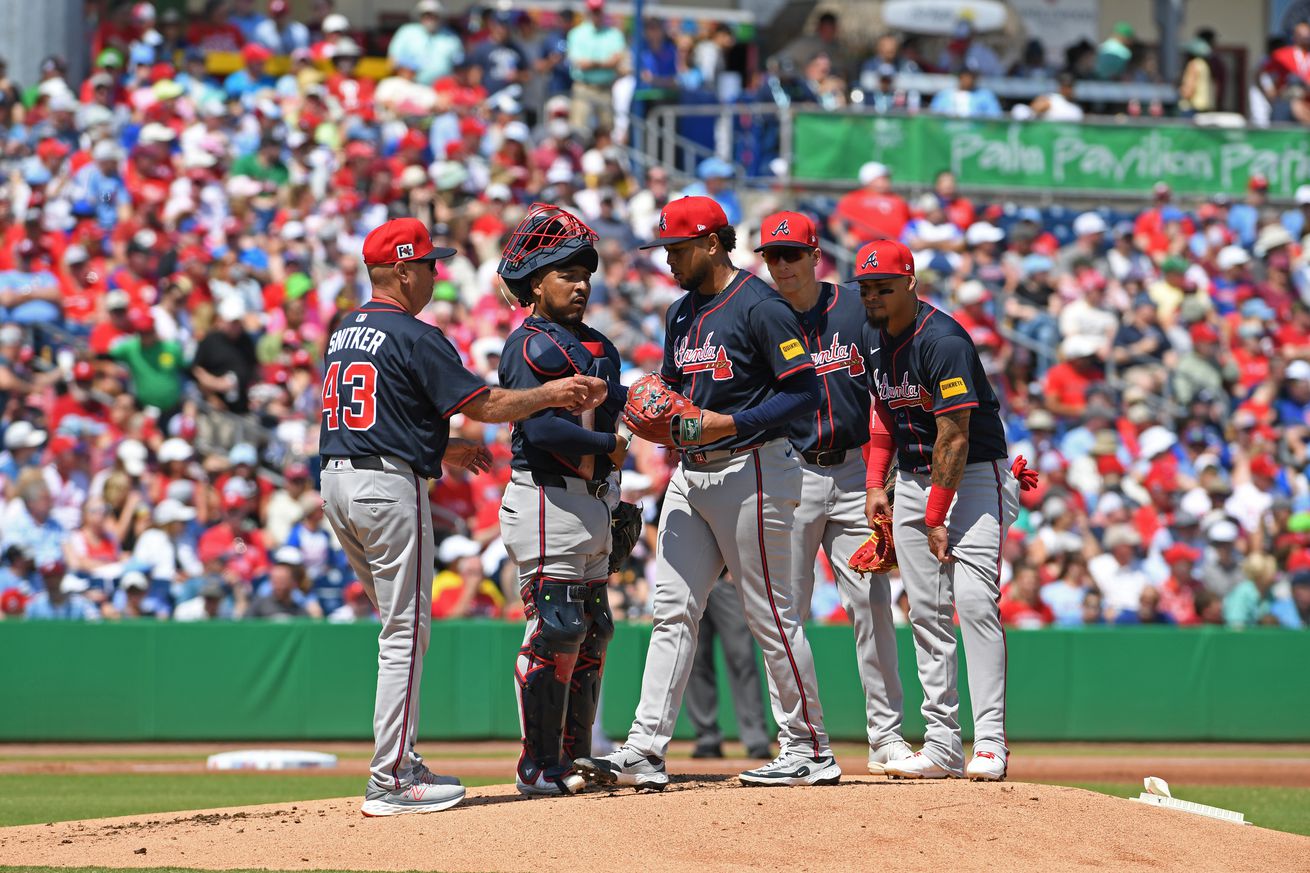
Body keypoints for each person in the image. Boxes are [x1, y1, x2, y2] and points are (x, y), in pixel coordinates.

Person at [318, 217, 603, 817]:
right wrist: (553, 394)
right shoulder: (414, 334)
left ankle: (400, 760)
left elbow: (370, 416)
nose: (434, 273)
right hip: (384, 489)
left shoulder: (347, 330)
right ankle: (391, 776)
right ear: (401, 269)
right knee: (406, 633)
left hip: (338, 483)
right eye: (427, 264)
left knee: (399, 629)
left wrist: (442, 448)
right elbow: (488, 404)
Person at [574, 196, 839, 790]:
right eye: (665, 247)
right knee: (670, 609)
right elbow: (676, 386)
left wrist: (729, 423)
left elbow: (802, 393)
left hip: (756, 467)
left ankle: (809, 748)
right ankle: (645, 748)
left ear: (713, 243)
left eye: (677, 247)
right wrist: (641, 408)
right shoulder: (680, 314)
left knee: (771, 613)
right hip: (691, 475)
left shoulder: (761, 306)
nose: (667, 258)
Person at [853, 237, 1021, 782]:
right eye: (866, 287)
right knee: (925, 611)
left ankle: (990, 742)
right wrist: (876, 481)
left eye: (883, 286)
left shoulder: (943, 340)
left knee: (973, 604)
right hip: (912, 478)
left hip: (972, 478)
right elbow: (882, 410)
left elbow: (955, 436)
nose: (873, 296)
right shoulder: (872, 337)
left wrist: (934, 517)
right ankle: (943, 743)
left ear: (910, 283)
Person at [754, 210, 909, 774]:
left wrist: (882, 476)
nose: (782, 264)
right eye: (772, 255)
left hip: (850, 474)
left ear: (815, 255)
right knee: (781, 616)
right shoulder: (758, 313)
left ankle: (887, 737)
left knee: (871, 609)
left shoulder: (852, 307)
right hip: (785, 472)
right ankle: (799, 741)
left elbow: (890, 385)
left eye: (792, 253)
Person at [493, 204, 626, 796]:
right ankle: (537, 766)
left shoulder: (599, 345)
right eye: (566, 274)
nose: (580, 284)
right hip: (547, 497)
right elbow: (543, 431)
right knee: (557, 628)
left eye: (584, 273)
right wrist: (610, 442)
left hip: (594, 499)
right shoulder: (527, 346)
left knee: (592, 627)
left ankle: (573, 759)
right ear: (536, 283)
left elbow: (616, 414)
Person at [684, 576, 770, 760]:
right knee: (696, 662)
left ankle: (756, 738)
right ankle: (707, 738)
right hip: (692, 582)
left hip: (725, 579)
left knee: (743, 659)